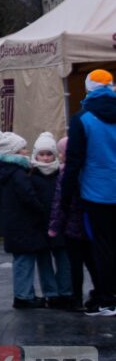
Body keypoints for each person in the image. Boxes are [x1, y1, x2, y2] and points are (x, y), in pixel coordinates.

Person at [61, 69, 116, 316]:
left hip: (95, 192)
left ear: (88, 88)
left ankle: (106, 298)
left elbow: (73, 162)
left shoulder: (82, 119)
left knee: (101, 247)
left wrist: (65, 196)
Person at [0, 129, 47, 309]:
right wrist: (42, 210)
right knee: (25, 260)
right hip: (24, 224)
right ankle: (24, 296)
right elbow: (28, 197)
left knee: (21, 260)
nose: (26, 151)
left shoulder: (7, 172)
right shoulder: (19, 174)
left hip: (15, 224)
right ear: (14, 152)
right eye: (23, 149)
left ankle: (25, 293)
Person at [50, 135, 98, 311]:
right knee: (93, 263)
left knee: (75, 266)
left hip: (72, 227)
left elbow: (59, 203)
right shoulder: (89, 170)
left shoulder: (65, 174)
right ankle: (100, 293)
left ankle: (76, 298)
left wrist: (54, 227)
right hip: (90, 225)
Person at [30, 132, 72, 308]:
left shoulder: (60, 174)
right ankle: (51, 293)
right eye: (42, 154)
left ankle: (65, 291)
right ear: (36, 155)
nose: (46, 158)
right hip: (39, 224)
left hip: (60, 223)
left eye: (49, 154)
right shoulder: (31, 176)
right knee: (44, 260)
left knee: (63, 258)